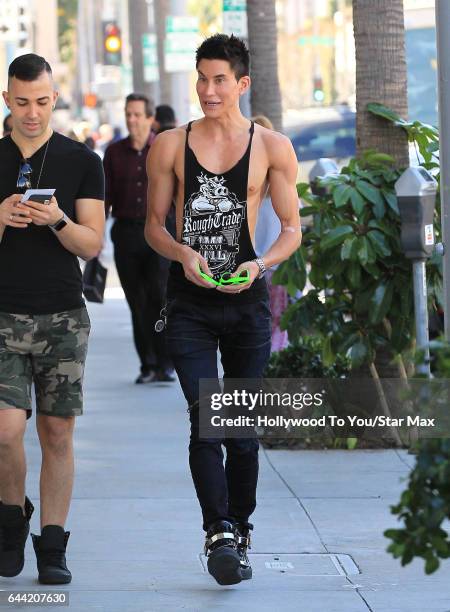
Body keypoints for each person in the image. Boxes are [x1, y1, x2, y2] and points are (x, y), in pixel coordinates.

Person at [145, 34, 301, 585]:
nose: (207, 91)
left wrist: (259, 267)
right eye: (201, 78)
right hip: (188, 301)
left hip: (247, 304)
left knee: (242, 430)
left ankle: (242, 526)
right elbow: (153, 227)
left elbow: (290, 231)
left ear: (242, 83)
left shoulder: (272, 147)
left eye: (219, 80)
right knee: (207, 420)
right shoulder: (170, 144)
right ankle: (218, 532)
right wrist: (183, 252)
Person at [0, 54, 105, 584]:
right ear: (7, 100)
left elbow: (92, 242)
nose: (32, 113)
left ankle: (54, 546)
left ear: (54, 98)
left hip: (63, 315)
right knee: (4, 429)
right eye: (22, 103)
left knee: (57, 433)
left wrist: (57, 218)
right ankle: (12, 516)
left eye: (41, 102)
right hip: (1, 316)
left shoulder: (82, 160)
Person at [103, 94, 174, 383]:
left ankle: (165, 364)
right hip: (127, 233)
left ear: (149, 118)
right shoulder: (114, 152)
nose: (132, 120)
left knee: (160, 296)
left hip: (160, 231)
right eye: (128, 114)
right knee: (137, 301)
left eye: (137, 115)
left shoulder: (164, 147)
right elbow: (104, 195)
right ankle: (147, 364)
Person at [253, 115, 290, 352]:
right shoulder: (280, 181)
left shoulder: (252, 184)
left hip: (258, 268)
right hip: (273, 267)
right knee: (276, 323)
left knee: (264, 324)